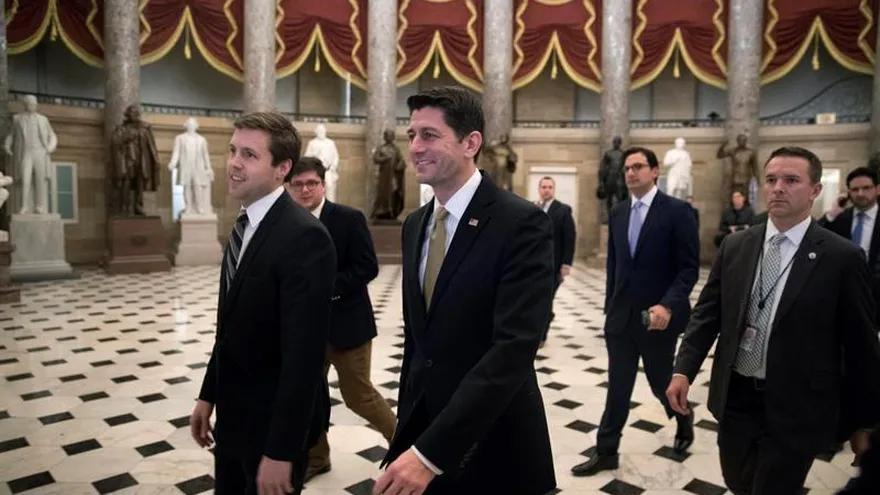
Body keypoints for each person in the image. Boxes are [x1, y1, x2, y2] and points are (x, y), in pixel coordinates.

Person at [374, 86, 556, 495]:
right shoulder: (415, 225)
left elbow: (513, 349)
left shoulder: (520, 223)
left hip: (492, 443)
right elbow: (421, 346)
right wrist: (409, 434)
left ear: (471, 142)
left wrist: (429, 454)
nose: (416, 148)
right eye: (412, 135)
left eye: (430, 135)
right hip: (423, 433)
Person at [667, 146, 880, 494]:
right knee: (738, 481)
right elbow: (707, 314)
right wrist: (683, 370)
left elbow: (861, 347)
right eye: (771, 179)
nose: (778, 187)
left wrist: (866, 422)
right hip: (736, 398)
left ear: (815, 190)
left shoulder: (842, 257)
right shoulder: (736, 246)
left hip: (798, 405)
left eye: (791, 180)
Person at [190, 111, 337, 495]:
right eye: (233, 150)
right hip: (234, 419)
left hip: (271, 432)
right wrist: (209, 394)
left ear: (281, 168)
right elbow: (231, 328)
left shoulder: (305, 238)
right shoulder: (244, 226)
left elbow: (304, 359)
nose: (234, 162)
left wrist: (281, 451)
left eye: (250, 155)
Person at [572, 146, 700, 477]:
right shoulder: (618, 212)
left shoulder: (678, 211)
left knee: (661, 384)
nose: (631, 172)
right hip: (621, 318)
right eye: (627, 168)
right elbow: (615, 266)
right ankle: (606, 451)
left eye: (639, 166)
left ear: (655, 171)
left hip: (659, 320)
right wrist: (609, 309)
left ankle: (684, 418)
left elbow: (688, 270)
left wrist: (668, 305)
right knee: (618, 387)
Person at [285, 156, 397, 481]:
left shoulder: (348, 218)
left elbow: (367, 266)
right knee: (307, 397)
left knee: (358, 396)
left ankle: (404, 447)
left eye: (311, 183)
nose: (305, 190)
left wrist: (327, 289)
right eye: (298, 184)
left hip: (348, 328)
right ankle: (317, 458)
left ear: (323, 184)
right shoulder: (286, 222)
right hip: (305, 332)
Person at [535, 176, 576, 346]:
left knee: (546, 299)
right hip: (535, 265)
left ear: (554, 189)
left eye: (550, 187)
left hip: (553, 264)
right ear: (539, 189)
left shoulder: (563, 210)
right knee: (537, 299)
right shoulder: (534, 208)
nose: (546, 190)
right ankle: (539, 328)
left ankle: (542, 336)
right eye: (544, 187)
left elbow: (569, 238)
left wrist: (566, 264)